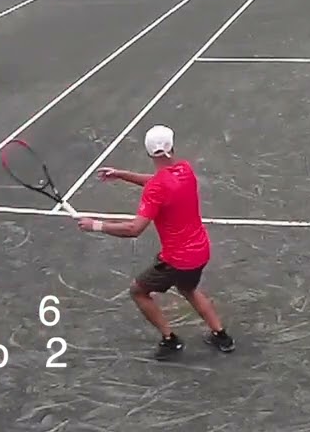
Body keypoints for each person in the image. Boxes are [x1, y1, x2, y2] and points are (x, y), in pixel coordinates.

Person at [77, 125, 235, 360]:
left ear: (149, 153)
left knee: (138, 291)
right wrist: (121, 175)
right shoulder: (185, 170)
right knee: (188, 289)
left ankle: (170, 340)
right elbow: (158, 181)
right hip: (201, 251)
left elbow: (134, 229)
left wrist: (96, 225)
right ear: (171, 147)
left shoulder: (156, 189)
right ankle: (222, 336)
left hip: (176, 260)